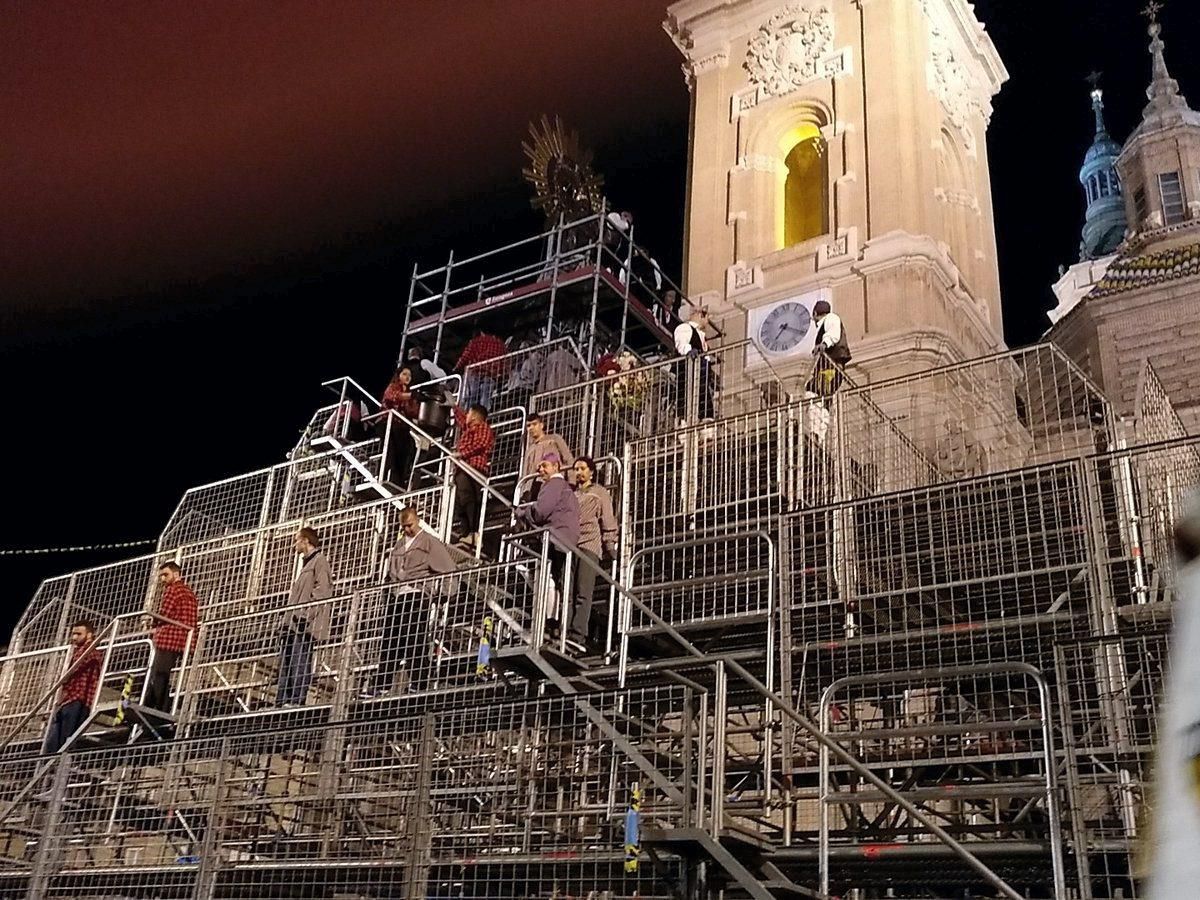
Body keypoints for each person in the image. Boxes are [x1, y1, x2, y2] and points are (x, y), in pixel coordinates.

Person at [362, 508, 458, 699]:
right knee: (390, 640)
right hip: (398, 596)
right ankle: (383, 683)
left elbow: (448, 568)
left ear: (418, 521)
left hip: (417, 594)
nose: (407, 530)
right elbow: (390, 574)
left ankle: (418, 682)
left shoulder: (430, 542)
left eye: (410, 525)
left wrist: (445, 594)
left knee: (415, 638)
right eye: (404, 526)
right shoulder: (398, 545)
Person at [516, 452, 581, 644]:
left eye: (545, 465)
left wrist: (523, 511)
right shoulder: (566, 489)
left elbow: (541, 512)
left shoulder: (554, 485)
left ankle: (549, 620)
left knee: (541, 576)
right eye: (539, 467)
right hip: (564, 537)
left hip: (555, 538)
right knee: (556, 581)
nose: (540, 470)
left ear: (556, 467)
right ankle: (553, 621)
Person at [277, 527, 333, 706]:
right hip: (294, 622)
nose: (294, 544)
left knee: (300, 660)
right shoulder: (307, 564)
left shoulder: (319, 561)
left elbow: (323, 590)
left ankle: (296, 700)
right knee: (287, 661)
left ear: (306, 541)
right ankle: (283, 700)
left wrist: (305, 614)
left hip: (303, 623)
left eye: (297, 540)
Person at [571, 457, 618, 652]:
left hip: (589, 544)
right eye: (576, 469)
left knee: (583, 591)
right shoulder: (571, 494)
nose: (579, 473)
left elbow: (607, 519)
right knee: (569, 591)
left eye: (582, 469)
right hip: (570, 544)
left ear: (591, 471)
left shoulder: (599, 493)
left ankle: (578, 634)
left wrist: (610, 545)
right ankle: (565, 630)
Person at [146, 562, 199, 714]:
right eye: (161, 575)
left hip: (169, 637)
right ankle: (159, 705)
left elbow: (165, 613)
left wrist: (152, 625)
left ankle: (157, 706)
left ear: (176, 574)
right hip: (184, 638)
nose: (162, 579)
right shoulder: (189, 592)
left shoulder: (173, 590)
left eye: (165, 574)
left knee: (158, 674)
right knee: (163, 674)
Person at [43, 620, 102, 753]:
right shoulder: (75, 651)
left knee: (67, 739)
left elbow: (82, 665)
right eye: (73, 634)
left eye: (78, 634)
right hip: (66, 699)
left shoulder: (92, 652)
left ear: (89, 635)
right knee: (52, 741)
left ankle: (59, 768)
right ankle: (49, 766)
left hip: (78, 700)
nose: (74, 637)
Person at [451, 404, 495, 550]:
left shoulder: (483, 427)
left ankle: (474, 532)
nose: (467, 416)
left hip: (474, 468)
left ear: (475, 416)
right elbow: (462, 418)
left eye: (469, 413)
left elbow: (480, 445)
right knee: (461, 501)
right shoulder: (468, 428)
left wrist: (461, 454)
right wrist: (453, 405)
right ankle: (467, 533)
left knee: (470, 499)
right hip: (462, 468)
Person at [377, 365, 420, 489]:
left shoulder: (409, 393)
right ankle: (387, 477)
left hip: (401, 427)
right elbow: (393, 396)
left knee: (405, 453)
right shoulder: (393, 387)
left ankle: (400, 482)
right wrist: (411, 396)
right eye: (405, 374)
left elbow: (413, 412)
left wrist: (419, 400)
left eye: (409, 375)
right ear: (399, 375)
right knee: (391, 453)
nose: (407, 377)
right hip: (387, 423)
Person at [673, 306, 716, 422]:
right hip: (689, 372)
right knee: (687, 402)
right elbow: (682, 343)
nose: (707, 322)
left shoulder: (700, 334)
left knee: (706, 407)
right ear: (700, 315)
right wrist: (688, 351)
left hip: (701, 375)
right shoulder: (686, 327)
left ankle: (706, 433)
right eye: (706, 317)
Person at [521, 413, 574, 500]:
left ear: (541, 425)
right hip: (534, 487)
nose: (531, 428)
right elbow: (525, 473)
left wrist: (572, 482)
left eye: (534, 424)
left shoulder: (554, 439)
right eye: (528, 426)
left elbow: (568, 459)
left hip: (555, 481)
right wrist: (524, 492)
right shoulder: (529, 450)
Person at [807, 299, 852, 398]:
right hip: (827, 368)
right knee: (815, 389)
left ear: (815, 313)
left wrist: (824, 344)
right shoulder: (828, 321)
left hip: (832, 366)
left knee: (816, 389)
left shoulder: (831, 318)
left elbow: (833, 333)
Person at [456, 331, 508, 411]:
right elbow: (504, 362)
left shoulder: (477, 341)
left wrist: (456, 368)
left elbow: (466, 356)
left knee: (472, 396)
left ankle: (470, 414)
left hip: (475, 371)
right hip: (490, 374)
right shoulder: (500, 344)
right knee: (485, 398)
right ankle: (483, 416)